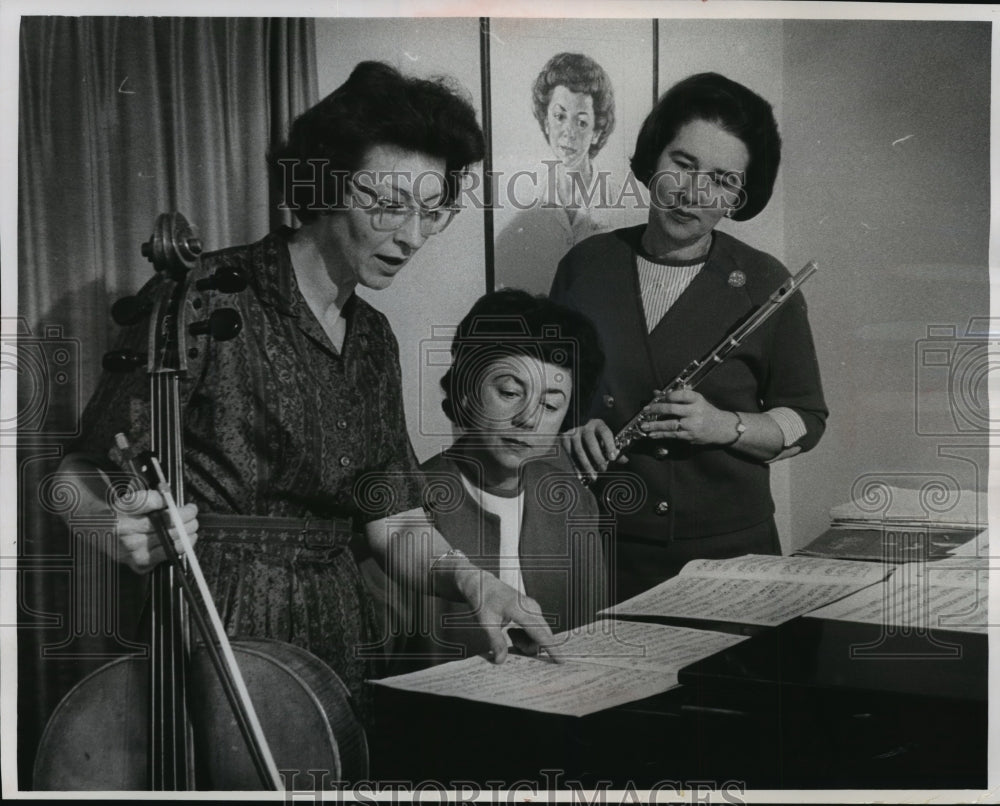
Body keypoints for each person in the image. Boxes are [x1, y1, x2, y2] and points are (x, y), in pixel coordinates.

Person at [58, 61, 560, 733]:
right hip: (212, 640)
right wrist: (119, 536)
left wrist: (471, 580)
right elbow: (72, 477)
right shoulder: (199, 296)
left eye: (430, 211)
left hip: (336, 649)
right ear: (323, 185)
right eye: (386, 204)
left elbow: (396, 521)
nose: (411, 236)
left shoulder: (373, 338)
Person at [550, 72, 828, 603]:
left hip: (732, 561)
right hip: (602, 549)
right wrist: (570, 433)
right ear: (655, 158)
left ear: (739, 197)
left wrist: (725, 426)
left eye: (723, 180)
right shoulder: (585, 267)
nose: (694, 193)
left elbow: (805, 419)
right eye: (683, 164)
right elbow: (548, 401)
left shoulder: (768, 282)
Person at [364, 289, 607, 668]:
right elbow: (378, 666)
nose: (528, 418)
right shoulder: (405, 503)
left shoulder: (574, 500)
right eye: (510, 391)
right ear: (466, 391)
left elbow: (587, 639)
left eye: (550, 404)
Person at [495, 53, 628, 294]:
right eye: (559, 116)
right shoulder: (521, 213)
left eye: (581, 122)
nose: (568, 133)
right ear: (546, 122)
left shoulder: (624, 210)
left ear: (597, 131)